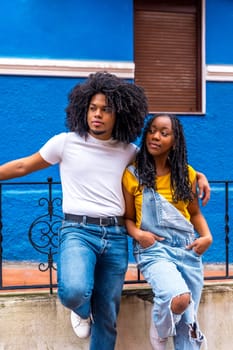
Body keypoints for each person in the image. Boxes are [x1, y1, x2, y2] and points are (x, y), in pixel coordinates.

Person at [0, 73, 210, 350]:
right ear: (83, 109)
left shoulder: (129, 150)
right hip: (77, 229)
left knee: (108, 316)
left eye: (106, 109)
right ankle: (81, 309)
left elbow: (165, 162)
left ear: (119, 114)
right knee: (73, 292)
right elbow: (23, 166)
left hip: (115, 234)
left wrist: (200, 176)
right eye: (93, 108)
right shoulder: (65, 142)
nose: (97, 115)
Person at [122, 113, 213, 350]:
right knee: (179, 298)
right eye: (152, 130)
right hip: (154, 250)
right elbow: (128, 219)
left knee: (188, 323)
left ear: (175, 140)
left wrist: (207, 237)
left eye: (164, 133)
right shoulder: (133, 175)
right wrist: (139, 235)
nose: (155, 136)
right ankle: (160, 327)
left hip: (187, 249)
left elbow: (194, 214)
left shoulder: (187, 174)